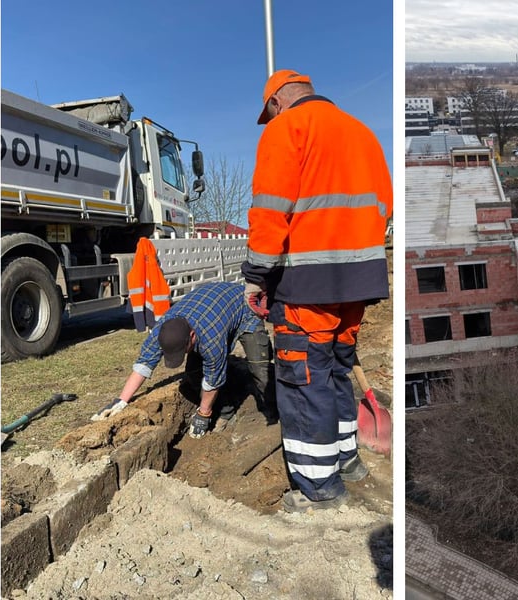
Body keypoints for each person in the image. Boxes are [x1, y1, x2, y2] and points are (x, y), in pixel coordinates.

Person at [243, 69, 392, 512]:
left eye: (269, 114)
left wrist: (257, 276)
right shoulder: (362, 133)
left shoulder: (286, 128)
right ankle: (347, 459)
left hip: (307, 285)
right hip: (358, 283)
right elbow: (383, 206)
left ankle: (318, 487)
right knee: (336, 371)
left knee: (303, 379)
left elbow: (270, 210)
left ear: (276, 102)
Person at [91, 281, 274, 439]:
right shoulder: (162, 329)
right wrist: (121, 400)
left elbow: (212, 379)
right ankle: (226, 410)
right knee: (193, 374)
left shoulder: (211, 341)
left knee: (260, 369)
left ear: (192, 336)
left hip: (242, 307)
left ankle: (272, 412)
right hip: (210, 309)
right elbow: (143, 364)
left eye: (183, 351)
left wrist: (204, 414)